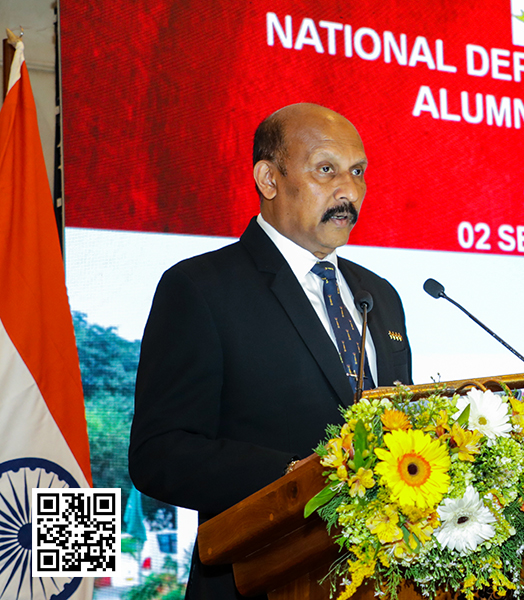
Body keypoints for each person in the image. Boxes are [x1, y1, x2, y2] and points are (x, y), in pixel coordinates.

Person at [129, 103, 412, 599]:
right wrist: (296, 478)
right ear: (268, 178)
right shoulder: (201, 288)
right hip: (256, 579)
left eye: (358, 172)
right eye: (326, 170)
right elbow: (160, 454)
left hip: (379, 579)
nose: (348, 191)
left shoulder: (380, 295)